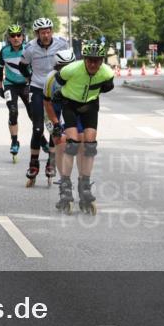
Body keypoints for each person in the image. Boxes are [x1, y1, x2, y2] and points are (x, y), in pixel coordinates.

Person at [52, 42, 115, 214]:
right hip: (70, 104)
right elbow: (58, 80)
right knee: (72, 144)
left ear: (102, 61)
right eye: (90, 60)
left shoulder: (107, 73)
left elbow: (108, 86)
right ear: (84, 59)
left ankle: (84, 186)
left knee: (90, 145)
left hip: (90, 106)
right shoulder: (71, 70)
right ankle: (65, 186)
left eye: (97, 61)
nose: (93, 64)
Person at [20, 17, 69, 187]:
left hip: (55, 89)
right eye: (42, 33)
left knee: (54, 127)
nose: (46, 35)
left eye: (48, 32)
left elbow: (69, 62)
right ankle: (34, 164)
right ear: (37, 34)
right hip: (37, 88)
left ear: (52, 32)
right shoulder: (30, 48)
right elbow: (22, 65)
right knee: (38, 127)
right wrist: (28, 78)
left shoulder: (62, 43)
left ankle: (51, 161)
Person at [42, 47, 77, 188]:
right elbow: (47, 103)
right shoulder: (51, 78)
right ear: (57, 68)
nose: (67, 71)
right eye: (63, 68)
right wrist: (56, 124)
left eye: (71, 67)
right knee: (60, 140)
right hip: (52, 108)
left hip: (69, 107)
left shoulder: (78, 76)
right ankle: (64, 179)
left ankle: (66, 173)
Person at [0, 25, 31, 161]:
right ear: (9, 38)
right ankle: (14, 141)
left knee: (33, 114)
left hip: (26, 85)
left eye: (18, 35)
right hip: (10, 85)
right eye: (13, 36)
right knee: (13, 111)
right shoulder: (4, 51)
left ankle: (42, 140)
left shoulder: (28, 49)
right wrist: (0, 88)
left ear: (22, 36)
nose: (16, 38)